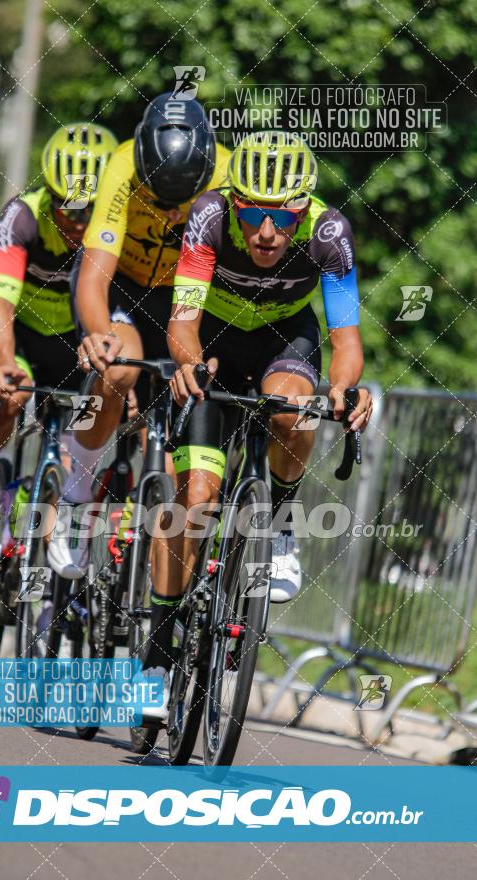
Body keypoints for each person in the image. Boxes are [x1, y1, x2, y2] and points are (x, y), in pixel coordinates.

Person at [144, 130, 373, 719]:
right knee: (195, 498)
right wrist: (190, 364)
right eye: (252, 214)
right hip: (213, 341)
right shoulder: (208, 216)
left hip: (282, 342)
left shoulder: (329, 234)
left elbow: (346, 340)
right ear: (234, 203)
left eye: (282, 216)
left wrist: (345, 390)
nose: (266, 232)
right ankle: (159, 648)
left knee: (296, 407)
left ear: (303, 210)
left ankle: (280, 525)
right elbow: (183, 318)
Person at [61, 93, 230, 577]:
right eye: (160, 201)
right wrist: (97, 336)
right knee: (117, 367)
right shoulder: (121, 168)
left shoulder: (230, 176)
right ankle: (80, 488)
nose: (173, 214)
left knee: (187, 466)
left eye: (184, 204)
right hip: (125, 289)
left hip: (189, 300)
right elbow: (92, 277)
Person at [0, 122, 118, 572]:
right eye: (69, 209)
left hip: (71, 343)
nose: (80, 223)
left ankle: (47, 598)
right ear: (51, 196)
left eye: (90, 210)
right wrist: (2, 366)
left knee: (88, 423)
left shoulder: (117, 227)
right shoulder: (23, 216)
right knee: (12, 394)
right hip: (13, 332)